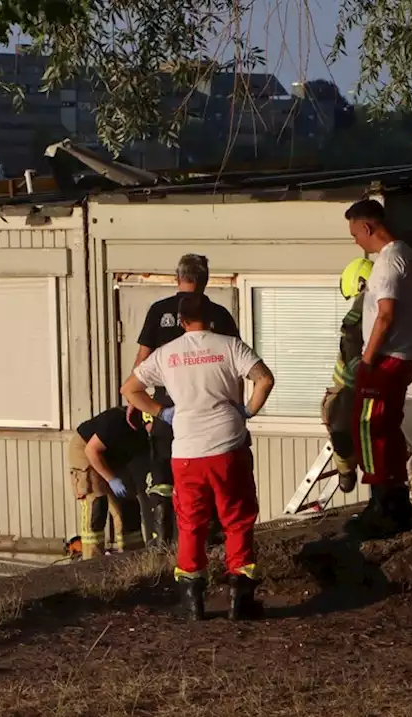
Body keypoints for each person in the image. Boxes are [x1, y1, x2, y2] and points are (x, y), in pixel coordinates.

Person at [121, 293, 275, 621]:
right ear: (211, 317)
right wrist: (246, 410)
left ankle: (193, 602)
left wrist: (163, 413)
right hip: (228, 447)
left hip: (187, 451)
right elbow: (264, 379)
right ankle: (241, 599)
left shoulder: (166, 354)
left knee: (191, 523)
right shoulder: (230, 345)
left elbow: (130, 388)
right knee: (237, 519)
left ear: (180, 321)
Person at [128, 253, 240, 550]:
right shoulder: (219, 314)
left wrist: (137, 403)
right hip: (212, 404)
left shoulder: (158, 311)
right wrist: (238, 409)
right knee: (211, 468)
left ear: (177, 278)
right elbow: (236, 366)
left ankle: (162, 542)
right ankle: (208, 540)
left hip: (166, 403)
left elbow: (143, 358)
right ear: (203, 279)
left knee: (163, 472)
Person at [342, 198, 412, 537]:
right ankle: (397, 503)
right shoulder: (409, 256)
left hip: (385, 359)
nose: (356, 241)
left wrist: (366, 359)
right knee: (389, 429)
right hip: (405, 355)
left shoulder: (388, 263)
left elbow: (386, 314)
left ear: (368, 227)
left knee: (368, 427)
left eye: (355, 233)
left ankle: (381, 506)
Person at [68, 406, 149, 560]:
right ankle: (91, 561)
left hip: (113, 455)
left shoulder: (149, 433)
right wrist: (111, 479)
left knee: (128, 504)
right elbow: (91, 450)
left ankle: (132, 557)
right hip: (87, 449)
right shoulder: (116, 422)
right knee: (97, 504)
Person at [321, 257, 373, 491]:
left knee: (341, 428)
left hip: (354, 388)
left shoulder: (362, 308)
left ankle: (347, 472)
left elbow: (351, 341)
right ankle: (347, 471)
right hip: (353, 387)